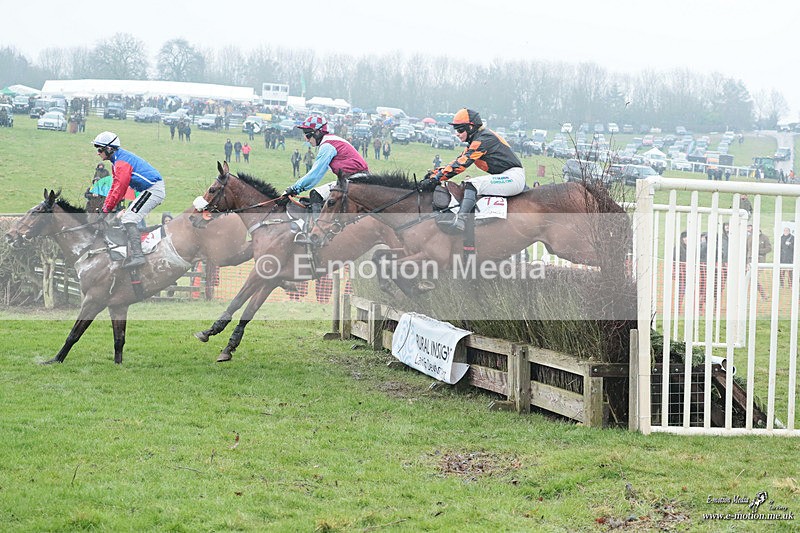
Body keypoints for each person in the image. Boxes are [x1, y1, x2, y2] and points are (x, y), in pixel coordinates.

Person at [428, 108, 526, 232]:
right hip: (508, 176)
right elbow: (458, 160)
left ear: (471, 127)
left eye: (460, 129)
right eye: (456, 130)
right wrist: (434, 174)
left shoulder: (483, 139)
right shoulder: (477, 140)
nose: (457, 133)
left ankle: (461, 220)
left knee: (472, 184)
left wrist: (437, 178)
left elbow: (462, 164)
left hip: (513, 177)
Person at [282, 115, 369, 244]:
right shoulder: (331, 141)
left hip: (355, 180)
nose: (306, 138)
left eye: (307, 134)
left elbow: (315, 175)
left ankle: (317, 234)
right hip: (356, 178)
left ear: (317, 132)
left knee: (315, 194)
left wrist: (294, 189)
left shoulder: (327, 145)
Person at [93, 131, 165, 269]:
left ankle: (138, 256)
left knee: (129, 219)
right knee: (127, 218)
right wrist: (105, 208)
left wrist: (106, 209)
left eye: (100, 149)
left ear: (109, 149)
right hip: (149, 189)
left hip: (153, 189)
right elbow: (114, 186)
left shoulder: (121, 163)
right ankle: (135, 249)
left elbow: (120, 189)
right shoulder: (116, 162)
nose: (98, 153)